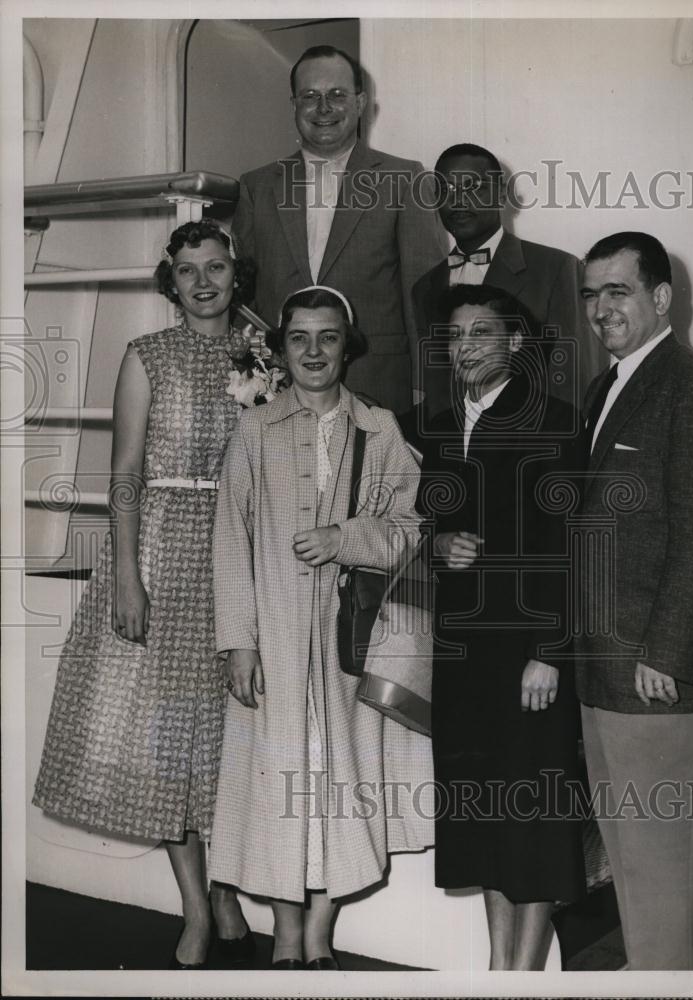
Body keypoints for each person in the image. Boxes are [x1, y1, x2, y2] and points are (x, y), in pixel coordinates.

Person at [33, 221, 260, 968]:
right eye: (188, 269)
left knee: (230, 739)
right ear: (171, 281)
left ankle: (227, 887)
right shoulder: (146, 356)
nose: (202, 282)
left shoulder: (264, 355)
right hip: (162, 556)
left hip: (239, 559)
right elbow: (123, 475)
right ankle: (196, 906)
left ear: (236, 274)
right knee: (167, 739)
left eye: (216, 267)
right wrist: (127, 575)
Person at [208, 285, 433, 970]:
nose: (312, 351)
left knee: (342, 777)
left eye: (327, 337)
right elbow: (229, 541)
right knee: (276, 776)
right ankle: (283, 933)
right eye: (298, 337)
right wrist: (239, 641)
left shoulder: (380, 428)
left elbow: (409, 529)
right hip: (272, 639)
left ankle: (319, 934)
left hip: (347, 644)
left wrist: (345, 537)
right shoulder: (253, 429)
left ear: (347, 345)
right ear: (280, 349)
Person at [575, 232, 693, 970]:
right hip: (607, 675)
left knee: (669, 872)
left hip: (660, 679)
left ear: (660, 298)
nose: (600, 309)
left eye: (616, 291)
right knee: (640, 870)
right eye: (590, 294)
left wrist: (665, 655)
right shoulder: (608, 386)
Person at [417, 283, 586, 970]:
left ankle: (519, 976)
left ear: (514, 344)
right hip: (464, 653)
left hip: (529, 651)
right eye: (455, 337)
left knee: (535, 817)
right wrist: (436, 546)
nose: (464, 349)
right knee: (484, 810)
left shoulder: (555, 421)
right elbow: (424, 526)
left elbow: (571, 545)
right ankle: (498, 968)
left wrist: (549, 651)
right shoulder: (434, 423)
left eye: (481, 334)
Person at [231, 45, 444, 414]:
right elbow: (243, 302)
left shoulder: (406, 178)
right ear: (294, 105)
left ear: (361, 103)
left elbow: (424, 296)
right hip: (280, 393)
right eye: (310, 96)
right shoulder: (256, 186)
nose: (324, 107)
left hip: (377, 387)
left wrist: (430, 389)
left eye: (337, 95)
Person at [411, 143, 606, 422]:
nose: (458, 200)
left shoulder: (555, 269)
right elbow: (438, 389)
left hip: (531, 451)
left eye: (472, 187)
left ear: (501, 194)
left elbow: (574, 380)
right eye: (446, 189)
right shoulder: (425, 288)